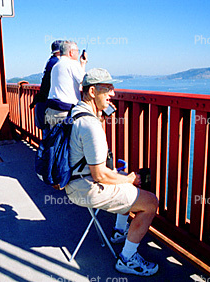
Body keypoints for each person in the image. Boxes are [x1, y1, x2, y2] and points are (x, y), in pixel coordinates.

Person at [65, 68, 159, 276]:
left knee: (122, 180)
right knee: (151, 202)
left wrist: (100, 116)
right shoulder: (90, 125)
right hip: (86, 187)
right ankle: (127, 258)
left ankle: (119, 231)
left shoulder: (76, 112)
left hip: (74, 181)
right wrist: (129, 180)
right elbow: (100, 175)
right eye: (107, 89)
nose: (113, 94)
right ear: (92, 92)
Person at [45, 40, 87, 129]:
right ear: (71, 52)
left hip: (52, 109)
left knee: (55, 139)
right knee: (70, 141)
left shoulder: (56, 65)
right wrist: (83, 64)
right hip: (65, 111)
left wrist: (82, 64)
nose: (78, 53)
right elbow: (84, 81)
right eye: (77, 51)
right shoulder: (72, 64)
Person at [29, 40, 62, 135]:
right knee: (51, 134)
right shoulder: (57, 63)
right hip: (49, 102)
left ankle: (44, 149)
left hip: (43, 100)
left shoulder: (51, 61)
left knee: (46, 133)